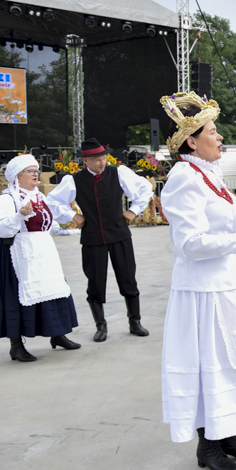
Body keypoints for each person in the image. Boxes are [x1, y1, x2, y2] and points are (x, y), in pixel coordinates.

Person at [159, 91, 236, 470]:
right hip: (205, 294)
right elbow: (190, 243)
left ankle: (227, 434)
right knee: (210, 364)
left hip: (231, 286)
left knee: (234, 362)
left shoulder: (209, 175)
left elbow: (226, 229)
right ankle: (208, 445)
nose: (221, 136)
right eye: (213, 131)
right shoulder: (182, 179)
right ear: (191, 141)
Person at [46, 138, 152, 342]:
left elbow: (145, 188)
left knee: (128, 278)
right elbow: (52, 201)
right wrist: (73, 216)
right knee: (95, 282)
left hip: (119, 234)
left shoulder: (118, 172)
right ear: (85, 161)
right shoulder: (73, 180)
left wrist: (133, 210)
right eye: (96, 159)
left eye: (103, 157)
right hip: (93, 237)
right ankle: (101, 325)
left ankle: (135, 321)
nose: (101, 162)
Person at [0, 154, 80, 362]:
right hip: (17, 252)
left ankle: (57, 335)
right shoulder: (7, 199)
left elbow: (48, 224)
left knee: (52, 290)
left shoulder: (39, 196)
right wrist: (19, 215)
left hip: (43, 251)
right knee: (16, 297)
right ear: (17, 177)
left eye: (36, 170)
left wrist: (66, 229)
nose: (35, 174)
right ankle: (16, 346)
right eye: (30, 171)